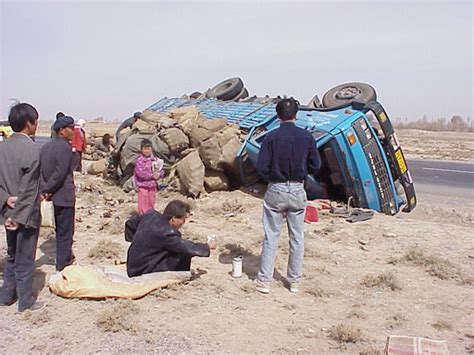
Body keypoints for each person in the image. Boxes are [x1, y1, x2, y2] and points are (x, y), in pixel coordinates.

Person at [255, 98, 321, 294]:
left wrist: (272, 179)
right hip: (298, 188)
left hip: (276, 188)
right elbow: (316, 165)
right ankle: (294, 281)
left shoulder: (271, 137)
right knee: (297, 237)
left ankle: (264, 281)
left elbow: (261, 166)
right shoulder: (307, 137)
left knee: (271, 236)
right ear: (296, 114)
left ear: (278, 116)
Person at [0, 102, 45, 312]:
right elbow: (29, 189)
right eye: (35, 121)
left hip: (8, 211)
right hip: (25, 215)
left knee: (11, 254)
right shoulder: (32, 149)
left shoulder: (3, 147)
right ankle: (25, 302)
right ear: (29, 123)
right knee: (26, 258)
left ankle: (6, 295)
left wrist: (5, 199)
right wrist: (18, 216)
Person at [126, 200, 217, 277]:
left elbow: (130, 224)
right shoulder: (167, 233)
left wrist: (138, 241)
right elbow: (187, 247)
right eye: (183, 219)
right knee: (182, 253)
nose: (183, 222)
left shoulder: (151, 215)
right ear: (173, 218)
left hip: (132, 265)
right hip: (141, 271)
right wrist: (207, 246)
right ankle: (180, 276)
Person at [40, 116, 76, 272]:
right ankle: (63, 264)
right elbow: (60, 173)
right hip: (64, 195)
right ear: (62, 131)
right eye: (71, 128)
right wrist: (49, 188)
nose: (73, 132)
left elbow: (42, 171)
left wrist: (46, 189)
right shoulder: (64, 147)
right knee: (65, 231)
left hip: (53, 195)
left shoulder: (46, 147)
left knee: (60, 229)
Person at [134, 138, 163, 214]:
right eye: (145, 149)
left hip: (152, 186)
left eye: (149, 149)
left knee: (151, 201)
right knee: (143, 202)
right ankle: (143, 217)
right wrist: (152, 176)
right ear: (141, 150)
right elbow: (140, 174)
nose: (147, 151)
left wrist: (159, 174)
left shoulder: (155, 160)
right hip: (143, 185)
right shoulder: (139, 161)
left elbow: (161, 169)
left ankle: (150, 216)